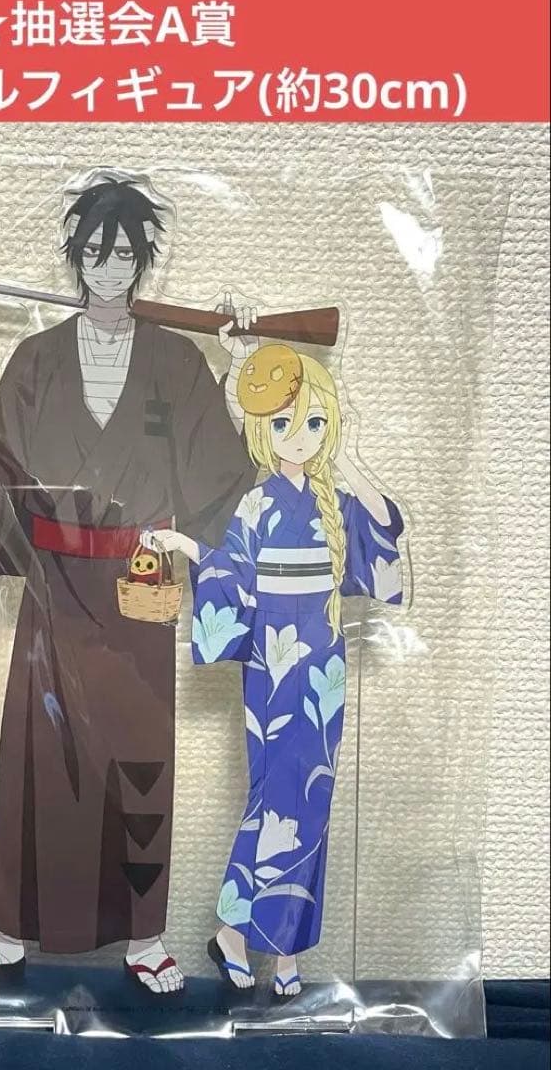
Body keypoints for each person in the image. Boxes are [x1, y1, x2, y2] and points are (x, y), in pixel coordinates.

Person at [0, 175, 255, 996]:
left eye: (125, 252)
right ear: (76, 258)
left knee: (139, 759)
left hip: (140, 587)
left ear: (143, 261)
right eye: (95, 251)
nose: (109, 267)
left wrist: (241, 365)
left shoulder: (178, 360)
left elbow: (221, 471)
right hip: (52, 586)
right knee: (37, 759)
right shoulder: (36, 359)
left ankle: (145, 936)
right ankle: (6, 932)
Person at [150, 312, 405, 997]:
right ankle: (236, 933)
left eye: (315, 421)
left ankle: (281, 950)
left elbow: (386, 523)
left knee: (312, 802)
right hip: (274, 654)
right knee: (273, 798)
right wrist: (184, 548)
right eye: (287, 422)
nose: (302, 435)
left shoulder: (334, 503)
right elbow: (230, 569)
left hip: (324, 656)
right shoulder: (258, 502)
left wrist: (344, 456)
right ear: (264, 428)